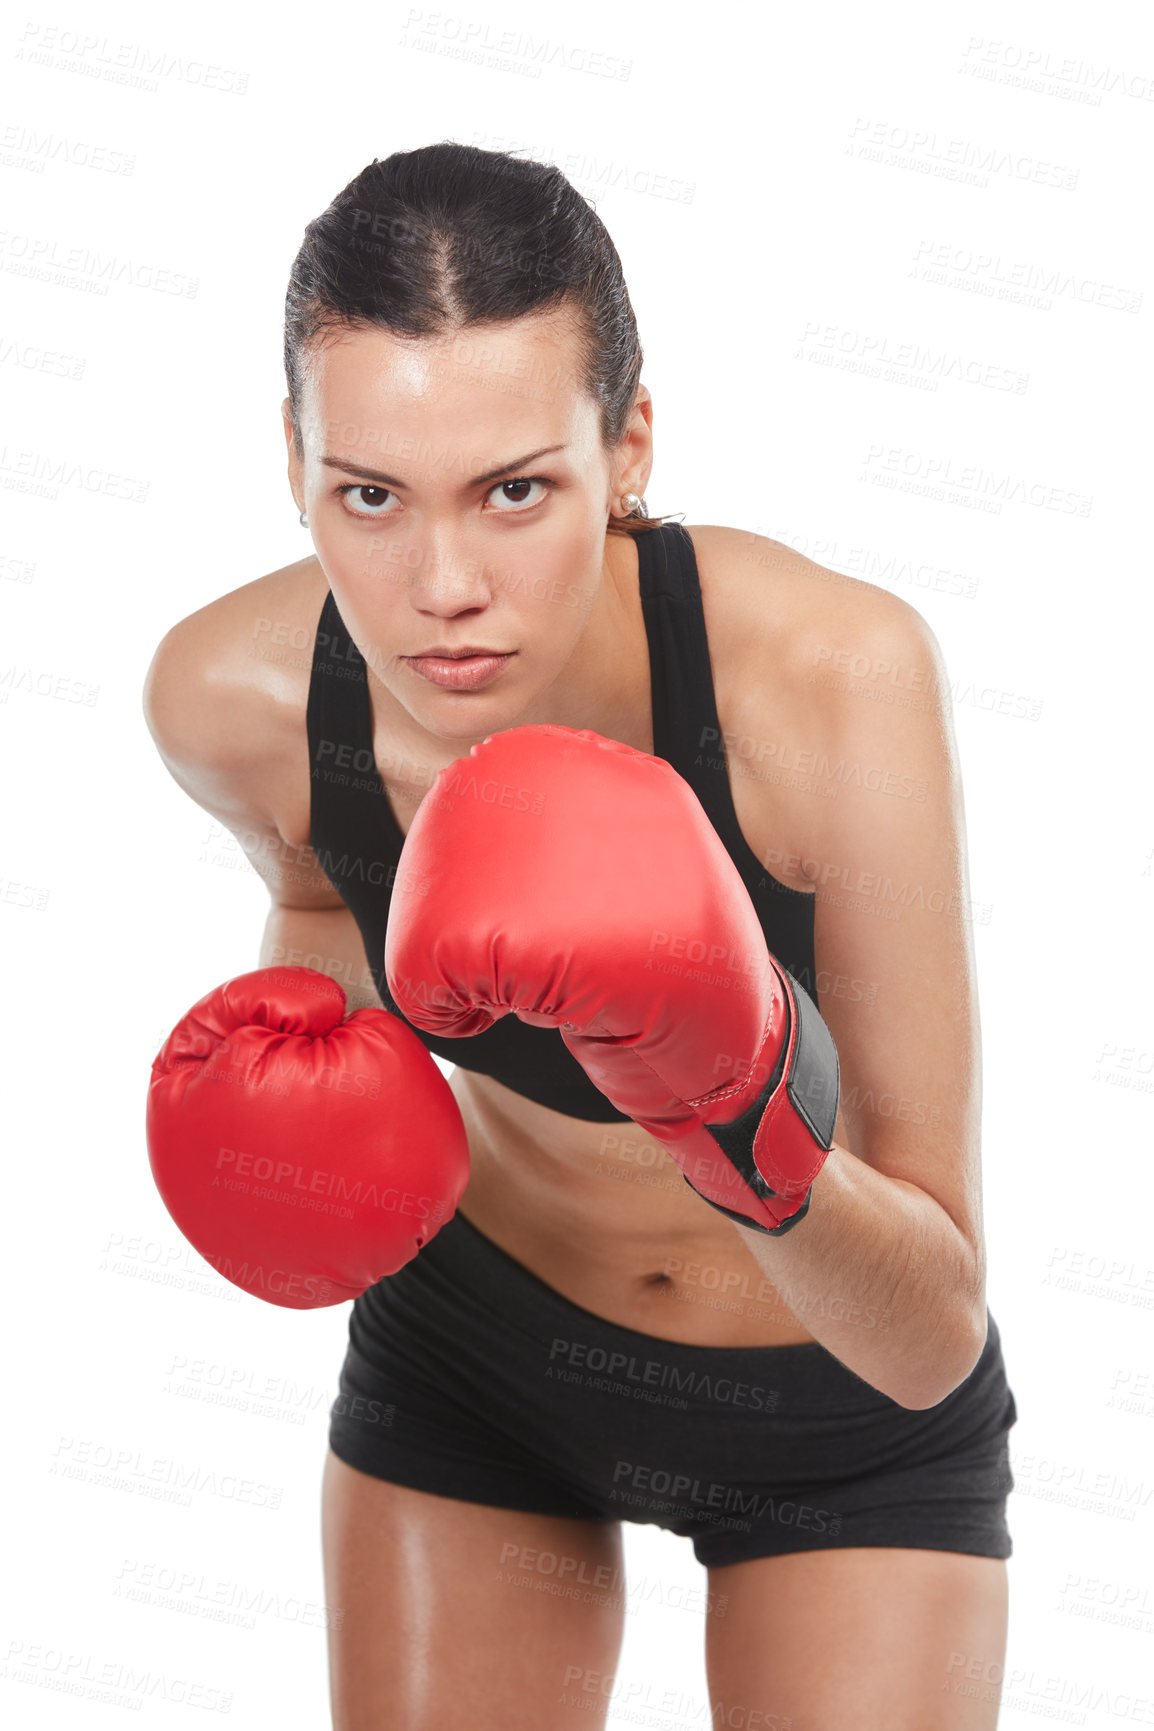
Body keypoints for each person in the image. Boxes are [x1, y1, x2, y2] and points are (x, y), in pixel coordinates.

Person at [142, 142, 1017, 1730]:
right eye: (369, 497)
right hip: (475, 1367)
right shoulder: (231, 700)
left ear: (625, 451)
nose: (442, 587)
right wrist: (301, 1076)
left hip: (837, 1416)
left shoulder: (828, 681)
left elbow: (930, 1337)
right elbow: (329, 896)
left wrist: (743, 1117)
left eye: (515, 489)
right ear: (293, 463)